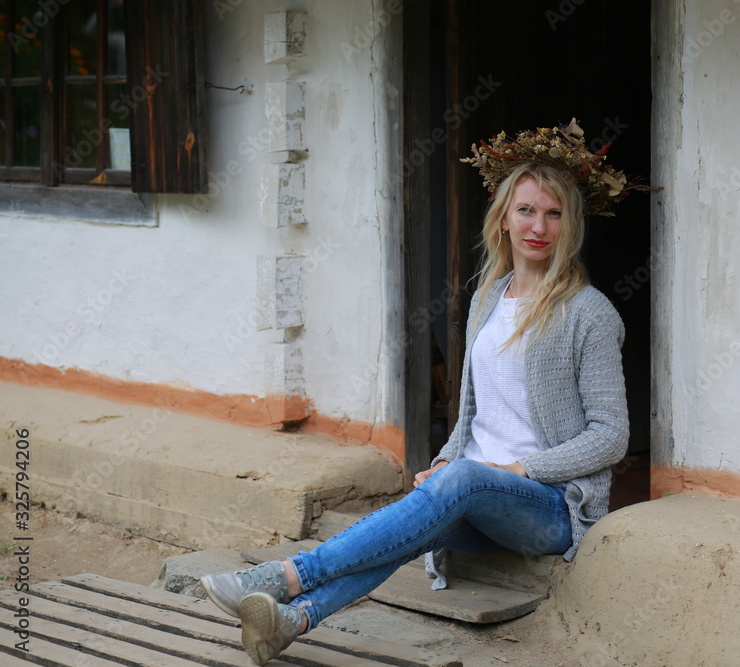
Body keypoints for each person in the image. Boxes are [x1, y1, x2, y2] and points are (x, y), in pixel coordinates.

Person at [201, 119, 649, 665]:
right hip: (477, 492)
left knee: (450, 486)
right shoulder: (489, 298)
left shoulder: (589, 313)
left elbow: (611, 435)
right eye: (526, 210)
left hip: (550, 507)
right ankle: (293, 620)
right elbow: (471, 409)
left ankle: (285, 574)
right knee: (412, 521)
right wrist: (444, 461)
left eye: (554, 213)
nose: (539, 226)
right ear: (504, 220)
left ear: (570, 225)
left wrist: (518, 472)